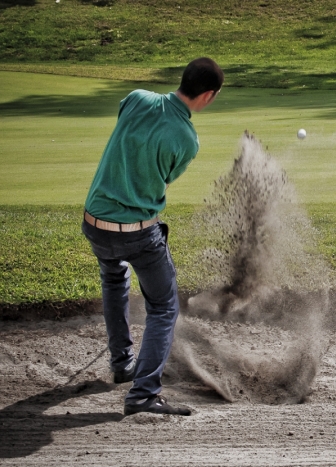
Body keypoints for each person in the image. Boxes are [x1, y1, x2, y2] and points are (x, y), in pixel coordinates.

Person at [82, 57, 223, 416]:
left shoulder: (136, 98)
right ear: (207, 96)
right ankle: (143, 393)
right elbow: (165, 179)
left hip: (94, 222)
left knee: (114, 276)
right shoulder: (188, 139)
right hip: (138, 234)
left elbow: (127, 131)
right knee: (163, 306)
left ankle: (122, 364)